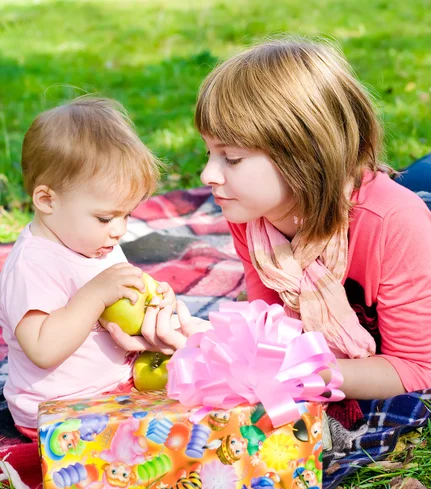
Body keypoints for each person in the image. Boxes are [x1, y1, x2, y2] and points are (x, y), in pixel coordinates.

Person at [109, 37, 431, 399]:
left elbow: (416, 370)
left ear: (303, 156)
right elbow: (271, 333)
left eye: (231, 158)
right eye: (209, 153)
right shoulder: (252, 217)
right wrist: (198, 341)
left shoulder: (395, 223)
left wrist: (300, 370)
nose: (207, 175)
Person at [0, 96, 174, 440]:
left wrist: (150, 300)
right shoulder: (33, 264)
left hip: (114, 390)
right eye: (106, 217)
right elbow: (43, 349)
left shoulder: (96, 241)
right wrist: (93, 295)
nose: (120, 230)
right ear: (47, 200)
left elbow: (115, 312)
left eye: (128, 215)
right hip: (58, 410)